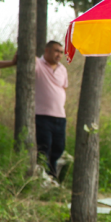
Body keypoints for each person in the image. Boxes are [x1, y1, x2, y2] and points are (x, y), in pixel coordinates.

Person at [34, 40, 70, 179]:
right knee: (44, 147)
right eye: (56, 51)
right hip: (42, 115)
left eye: (61, 52)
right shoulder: (38, 64)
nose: (59, 54)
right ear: (47, 51)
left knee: (58, 148)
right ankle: (44, 176)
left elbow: (63, 88)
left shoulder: (62, 69)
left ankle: (51, 176)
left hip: (60, 116)